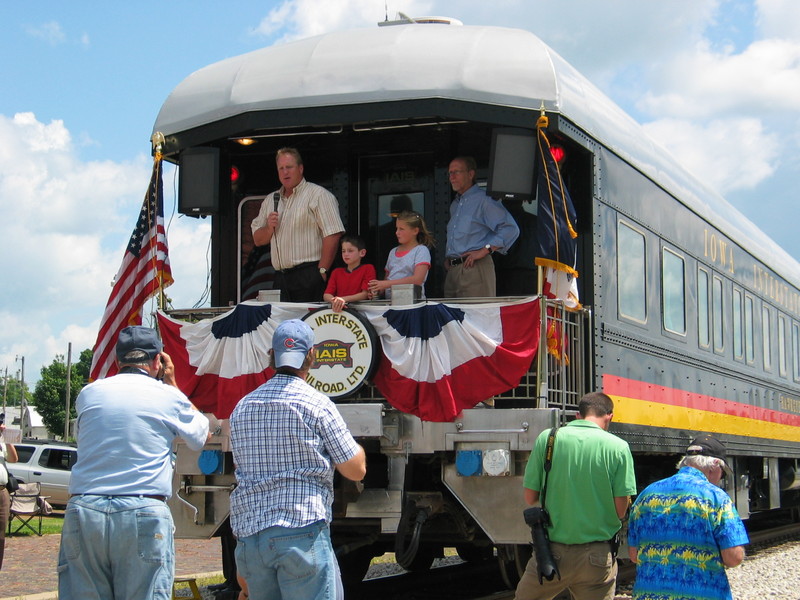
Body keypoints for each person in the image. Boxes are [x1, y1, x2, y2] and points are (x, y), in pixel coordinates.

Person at [58, 326, 211, 600]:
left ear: (118, 361)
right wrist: (172, 384)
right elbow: (202, 435)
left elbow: (85, 440)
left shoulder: (89, 394)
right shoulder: (168, 395)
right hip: (142, 508)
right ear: (158, 361)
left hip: (86, 507)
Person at [229, 319, 366, 600]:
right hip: (300, 531)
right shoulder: (317, 403)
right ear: (312, 356)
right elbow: (355, 470)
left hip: (251, 537)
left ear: (272, 357)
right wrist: (358, 449)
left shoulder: (242, 407)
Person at [515, 392, 636, 600]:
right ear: (610, 416)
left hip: (551, 553)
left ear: (577, 416)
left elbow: (530, 497)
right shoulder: (618, 447)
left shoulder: (548, 439)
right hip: (597, 558)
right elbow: (620, 510)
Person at [627, 434, 748, 600]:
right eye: (723, 472)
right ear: (714, 467)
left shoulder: (647, 494)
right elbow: (733, 557)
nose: (721, 478)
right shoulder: (716, 497)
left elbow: (634, 555)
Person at [251, 147, 345, 302]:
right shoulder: (270, 200)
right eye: (281, 168)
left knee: (309, 325)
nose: (285, 172)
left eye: (289, 167)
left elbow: (333, 234)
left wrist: (322, 270)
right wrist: (269, 228)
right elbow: (258, 239)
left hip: (309, 274)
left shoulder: (318, 195)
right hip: (281, 277)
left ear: (300, 169)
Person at [444, 156, 520, 298]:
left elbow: (510, 229)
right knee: (451, 319)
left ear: (471, 174)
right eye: (450, 173)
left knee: (477, 317)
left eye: (456, 172)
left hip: (474, 268)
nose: (452, 177)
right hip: (453, 271)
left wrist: (485, 250)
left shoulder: (484, 200)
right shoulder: (455, 205)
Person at [368, 211, 434, 300]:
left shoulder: (421, 250)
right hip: (391, 304)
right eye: (397, 228)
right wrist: (378, 290)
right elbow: (386, 279)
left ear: (415, 231)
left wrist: (386, 284)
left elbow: (417, 279)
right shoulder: (393, 252)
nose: (397, 232)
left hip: (412, 304)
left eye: (401, 229)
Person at [323, 235, 377, 312]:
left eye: (350, 251)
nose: (346, 254)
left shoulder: (368, 268)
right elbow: (326, 295)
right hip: (339, 312)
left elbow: (365, 294)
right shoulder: (336, 272)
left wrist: (343, 299)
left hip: (361, 312)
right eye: (343, 251)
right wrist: (335, 301)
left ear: (362, 253)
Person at [0, 418, 18, 571]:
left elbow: (13, 458)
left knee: (0, 536)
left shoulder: (1, 442)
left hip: (2, 492)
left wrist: (7, 438)